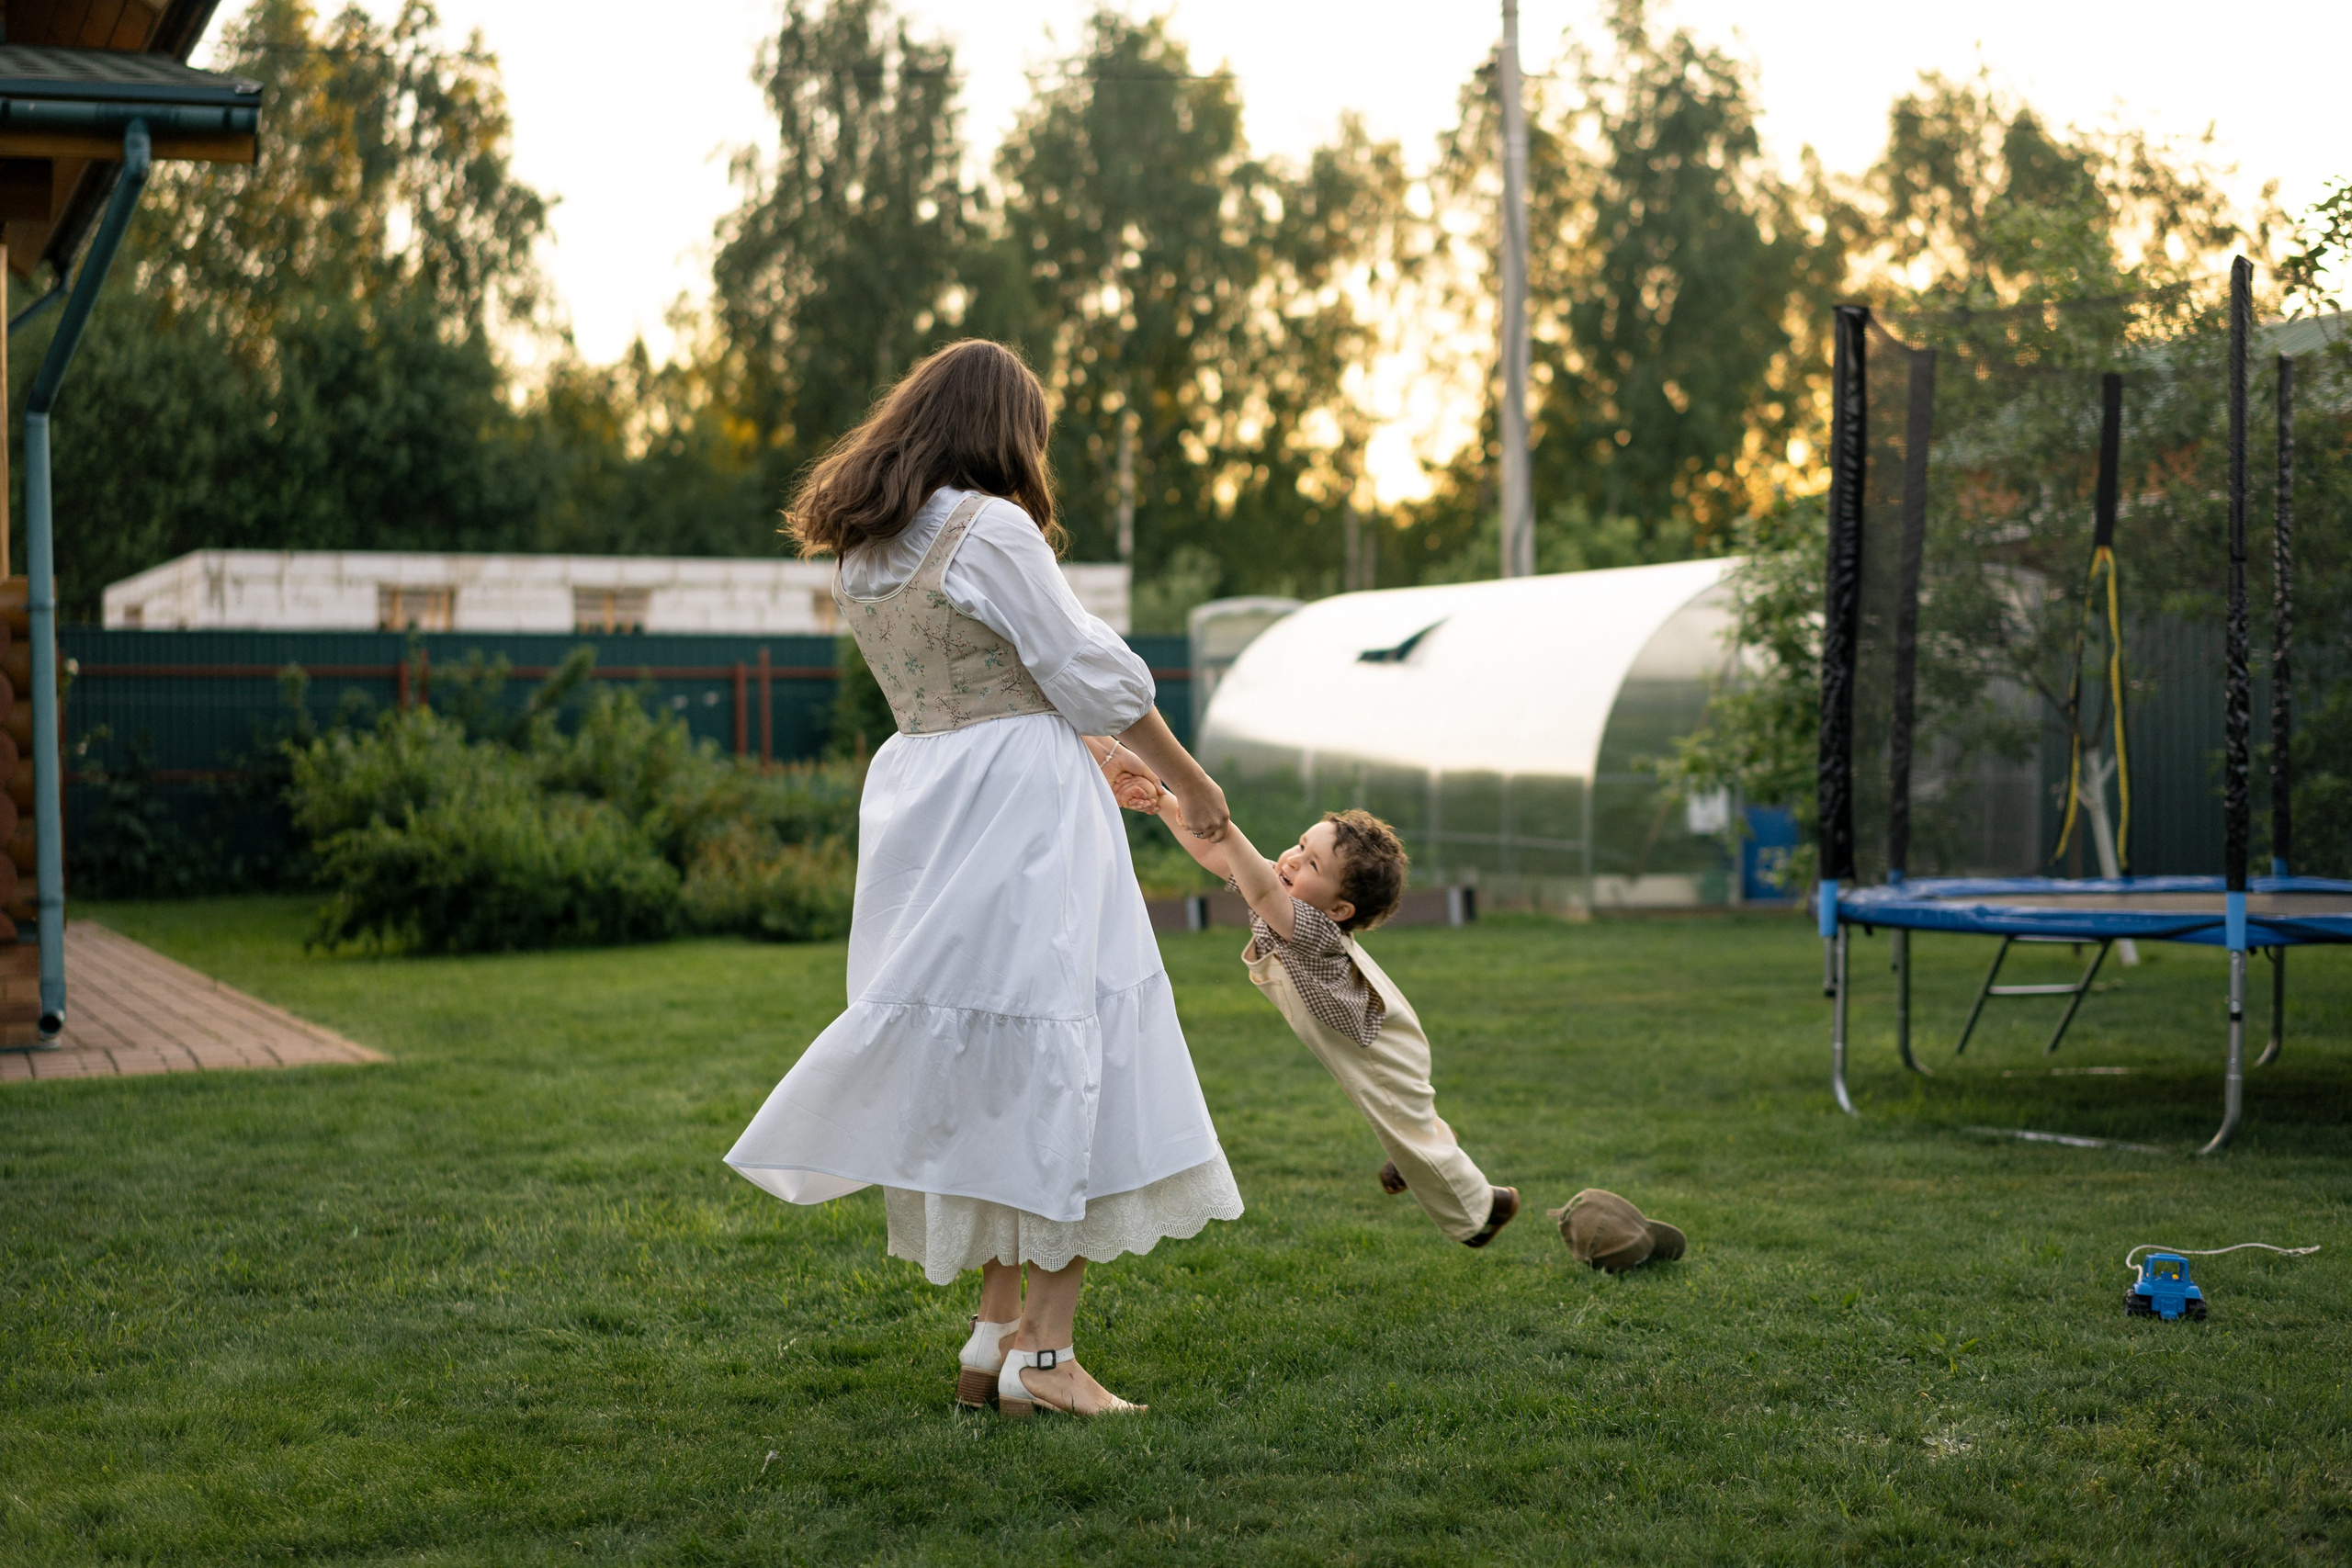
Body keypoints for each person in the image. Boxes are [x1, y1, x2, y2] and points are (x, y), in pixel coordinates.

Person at [725, 340, 1243, 1419]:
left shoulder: (868, 550)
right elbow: (1085, 667)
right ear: (1001, 428)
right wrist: (1186, 781)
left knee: (990, 1055)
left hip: (927, 800)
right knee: (1064, 1046)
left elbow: (978, 685)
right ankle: (1043, 1362)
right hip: (1018, 811)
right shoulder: (988, 527)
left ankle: (989, 1335)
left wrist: (1099, 758)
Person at [1114, 778, 1518, 1247]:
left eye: (1312, 864)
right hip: (1374, 1037)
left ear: (1339, 908)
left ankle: (1484, 1211)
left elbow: (1262, 893)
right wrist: (1166, 803)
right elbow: (1215, 857)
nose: (1291, 860)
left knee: (1409, 1128)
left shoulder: (1311, 926)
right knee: (1410, 1123)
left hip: (1380, 1052)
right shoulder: (1289, 890)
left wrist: (1223, 828)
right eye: (1301, 845)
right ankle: (1411, 1155)